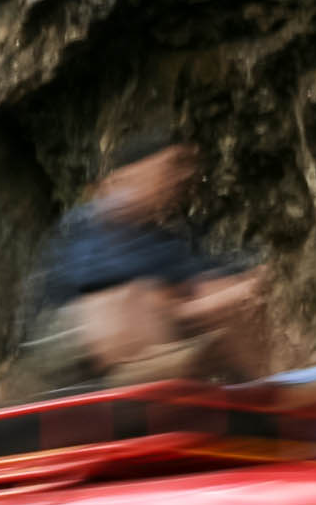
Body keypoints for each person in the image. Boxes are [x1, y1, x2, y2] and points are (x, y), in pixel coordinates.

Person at [21, 129, 265, 387]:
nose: (180, 177)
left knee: (219, 294)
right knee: (136, 299)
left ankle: (261, 390)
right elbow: (125, 298)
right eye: (172, 166)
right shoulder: (92, 223)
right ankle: (150, 371)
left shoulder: (165, 240)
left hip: (151, 340)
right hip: (70, 350)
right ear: (131, 175)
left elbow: (203, 285)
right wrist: (202, 303)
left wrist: (245, 286)